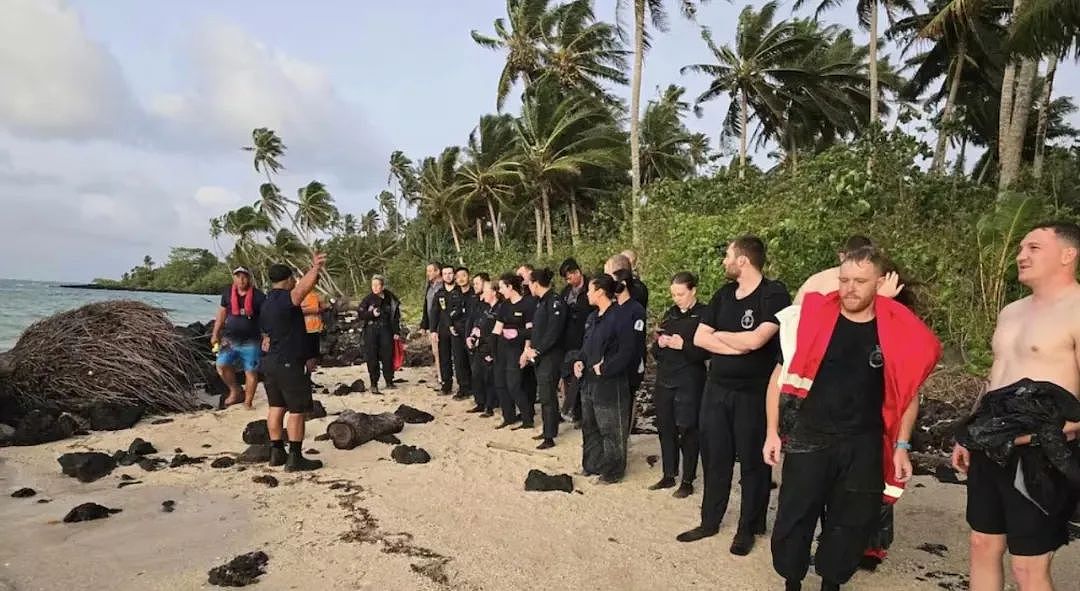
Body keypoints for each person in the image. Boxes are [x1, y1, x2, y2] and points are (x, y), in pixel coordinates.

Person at [764, 246, 940, 591]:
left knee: (850, 522)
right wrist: (772, 431)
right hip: (809, 436)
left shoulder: (895, 330)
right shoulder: (810, 319)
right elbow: (778, 377)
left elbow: (907, 395)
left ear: (880, 283)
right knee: (794, 516)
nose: (850, 288)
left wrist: (902, 445)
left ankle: (832, 583)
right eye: (844, 279)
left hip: (864, 443)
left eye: (860, 281)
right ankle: (792, 582)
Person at [951, 222, 1080, 591]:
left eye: (1034, 247)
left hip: (1041, 456)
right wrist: (969, 433)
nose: (1021, 255)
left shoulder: (1076, 310)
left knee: (1028, 566)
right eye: (1020, 247)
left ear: (1068, 255)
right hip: (991, 447)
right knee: (982, 544)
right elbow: (997, 379)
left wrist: (1049, 435)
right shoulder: (1011, 311)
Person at [677, 236, 791, 556]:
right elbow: (700, 337)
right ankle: (709, 520)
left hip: (753, 394)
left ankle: (748, 527)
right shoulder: (724, 294)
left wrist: (725, 338)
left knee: (754, 464)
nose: (724, 262)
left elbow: (757, 341)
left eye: (728, 256)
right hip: (717, 390)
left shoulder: (774, 293)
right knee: (715, 457)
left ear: (743, 260)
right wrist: (736, 342)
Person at [259, 255, 327, 472]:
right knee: (297, 410)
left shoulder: (266, 302)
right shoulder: (284, 298)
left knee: (276, 407)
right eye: (293, 280)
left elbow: (266, 333)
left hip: (270, 363)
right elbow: (301, 291)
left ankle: (276, 452)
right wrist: (315, 268)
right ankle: (295, 457)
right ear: (288, 280)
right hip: (288, 361)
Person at [574, 275, 637, 484]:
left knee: (611, 428)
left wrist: (606, 367)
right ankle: (591, 464)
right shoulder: (592, 318)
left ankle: (612, 471)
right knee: (590, 426)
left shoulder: (620, 316)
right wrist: (579, 361)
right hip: (589, 382)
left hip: (611, 382)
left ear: (600, 291)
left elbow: (628, 351)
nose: (587, 294)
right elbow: (585, 346)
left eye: (590, 290)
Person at [651, 272, 709, 498]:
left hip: (690, 379)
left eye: (681, 294)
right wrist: (660, 343)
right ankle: (668, 473)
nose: (677, 298)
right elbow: (656, 350)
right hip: (665, 378)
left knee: (688, 428)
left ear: (693, 290)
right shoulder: (670, 314)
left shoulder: (704, 314)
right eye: (674, 294)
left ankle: (688, 479)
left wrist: (682, 345)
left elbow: (707, 351)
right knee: (665, 427)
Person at [524, 268, 568, 450]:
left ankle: (550, 435)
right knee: (544, 395)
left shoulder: (555, 302)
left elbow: (553, 332)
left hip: (551, 356)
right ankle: (549, 428)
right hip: (540, 355)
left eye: (529, 284)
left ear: (535, 284)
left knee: (547, 396)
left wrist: (539, 350)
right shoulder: (540, 302)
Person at [211, 267, 266, 409]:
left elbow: (267, 318)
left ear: (249, 278)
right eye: (238, 276)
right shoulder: (227, 293)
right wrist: (215, 333)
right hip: (230, 339)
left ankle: (248, 402)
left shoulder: (259, 296)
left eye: (244, 277)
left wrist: (267, 336)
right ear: (234, 278)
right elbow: (222, 314)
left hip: (251, 340)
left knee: (251, 371)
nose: (241, 280)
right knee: (221, 365)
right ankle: (235, 390)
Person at [493, 273, 535, 430]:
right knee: (501, 384)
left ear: (510, 287)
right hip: (503, 347)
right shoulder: (504, 305)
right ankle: (508, 416)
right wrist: (492, 349)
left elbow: (530, 331)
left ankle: (527, 417)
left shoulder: (527, 304)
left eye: (502, 287)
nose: (501, 290)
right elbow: (497, 328)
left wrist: (526, 351)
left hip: (517, 349)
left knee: (514, 385)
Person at [559, 258, 593, 426]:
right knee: (571, 377)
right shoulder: (566, 292)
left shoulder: (591, 288)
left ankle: (586, 415)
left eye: (569, 276)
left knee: (584, 378)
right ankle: (575, 412)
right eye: (566, 278)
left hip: (586, 337)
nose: (569, 280)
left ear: (577, 272)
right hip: (569, 340)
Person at [357, 275, 402, 395]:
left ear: (383, 286)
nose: (375, 288)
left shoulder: (390, 298)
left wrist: (396, 331)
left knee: (388, 355)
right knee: (372, 357)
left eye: (378, 285)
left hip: (386, 329)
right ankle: (374, 383)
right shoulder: (368, 299)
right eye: (373, 285)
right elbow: (360, 314)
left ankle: (389, 380)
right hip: (371, 330)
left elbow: (396, 316)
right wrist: (371, 314)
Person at [467, 276, 500, 416]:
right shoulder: (484, 307)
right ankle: (480, 403)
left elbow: (496, 332)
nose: (483, 293)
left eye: (486, 290)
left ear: (494, 292)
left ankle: (490, 406)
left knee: (488, 377)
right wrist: (471, 337)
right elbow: (478, 324)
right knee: (476, 375)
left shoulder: (499, 308)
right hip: (479, 347)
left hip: (490, 348)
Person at [611, 268, 647, 397]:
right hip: (614, 364)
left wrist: (638, 364)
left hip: (631, 364)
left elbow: (638, 339)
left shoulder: (636, 309)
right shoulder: (613, 308)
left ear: (624, 284)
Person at [429, 264, 462, 395]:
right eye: (445, 274)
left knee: (459, 359)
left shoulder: (460, 291)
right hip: (443, 330)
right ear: (442, 277)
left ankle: (463, 386)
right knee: (444, 358)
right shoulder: (439, 294)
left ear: (454, 275)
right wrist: (433, 330)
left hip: (458, 329)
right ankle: (446, 385)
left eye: (450, 273)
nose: (448, 276)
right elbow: (434, 313)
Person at [450, 267, 475, 400]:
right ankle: (463, 387)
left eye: (464, 275)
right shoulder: (454, 293)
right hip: (457, 331)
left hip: (470, 331)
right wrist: (450, 325)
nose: (461, 278)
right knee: (459, 360)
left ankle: (475, 387)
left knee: (472, 359)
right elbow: (448, 312)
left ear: (468, 277)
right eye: (458, 276)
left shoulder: (474, 293)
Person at [420, 262, 442, 389]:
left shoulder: (443, 286)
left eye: (430, 271)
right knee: (435, 352)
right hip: (431, 323)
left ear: (437, 271)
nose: (427, 274)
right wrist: (424, 325)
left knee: (442, 351)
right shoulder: (429, 286)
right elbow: (426, 306)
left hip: (441, 323)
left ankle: (444, 377)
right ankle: (440, 376)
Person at [301, 290, 327, 384]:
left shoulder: (315, 294)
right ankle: (304, 380)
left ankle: (308, 379)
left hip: (316, 328)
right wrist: (314, 309)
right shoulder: (299, 294)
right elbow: (297, 309)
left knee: (314, 356)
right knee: (306, 356)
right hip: (304, 330)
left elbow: (322, 307)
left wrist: (323, 307)